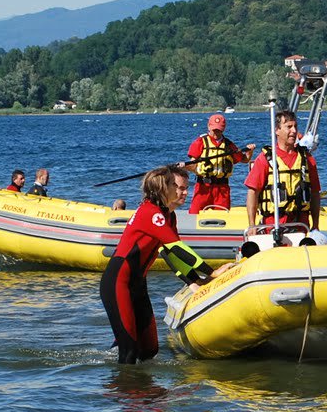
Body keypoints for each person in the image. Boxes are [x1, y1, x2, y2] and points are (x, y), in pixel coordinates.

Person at [99, 165, 212, 364]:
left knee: (150, 350)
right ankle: (121, 390)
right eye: (178, 187)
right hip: (118, 282)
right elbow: (178, 248)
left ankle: (145, 390)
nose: (185, 192)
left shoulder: (169, 216)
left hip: (138, 285)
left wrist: (196, 281)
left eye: (186, 187)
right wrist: (212, 272)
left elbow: (171, 255)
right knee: (129, 353)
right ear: (164, 188)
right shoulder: (150, 212)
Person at [245, 108, 321, 233]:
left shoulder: (307, 159)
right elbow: (253, 192)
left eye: (295, 126)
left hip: (301, 226)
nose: (294, 131)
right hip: (273, 225)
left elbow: (315, 193)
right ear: (277, 130)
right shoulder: (265, 159)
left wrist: (316, 224)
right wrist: (252, 225)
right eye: (289, 127)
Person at [187, 113, 255, 214]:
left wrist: (250, 152)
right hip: (203, 186)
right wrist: (195, 169)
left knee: (222, 216)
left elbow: (244, 160)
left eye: (219, 130)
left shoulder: (228, 145)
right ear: (209, 126)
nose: (216, 133)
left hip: (222, 188)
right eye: (214, 129)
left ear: (223, 129)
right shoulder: (200, 142)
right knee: (195, 214)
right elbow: (191, 163)